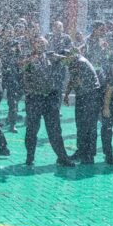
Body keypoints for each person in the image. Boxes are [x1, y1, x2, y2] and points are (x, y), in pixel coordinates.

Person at [19, 37, 75, 167]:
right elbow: (21, 68)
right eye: (38, 43)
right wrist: (29, 61)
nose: (40, 45)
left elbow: (68, 60)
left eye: (43, 43)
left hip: (50, 98)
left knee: (54, 130)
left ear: (47, 45)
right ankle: (30, 157)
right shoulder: (28, 57)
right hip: (34, 98)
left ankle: (62, 157)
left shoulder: (51, 56)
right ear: (33, 44)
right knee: (32, 129)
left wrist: (70, 53)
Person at [60, 49, 101, 164]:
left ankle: (89, 154)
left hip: (90, 96)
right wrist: (67, 94)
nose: (62, 63)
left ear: (68, 56)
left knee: (89, 126)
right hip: (83, 95)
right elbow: (73, 79)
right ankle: (81, 151)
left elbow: (77, 81)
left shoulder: (79, 62)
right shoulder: (73, 62)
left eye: (63, 60)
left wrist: (68, 93)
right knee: (81, 125)